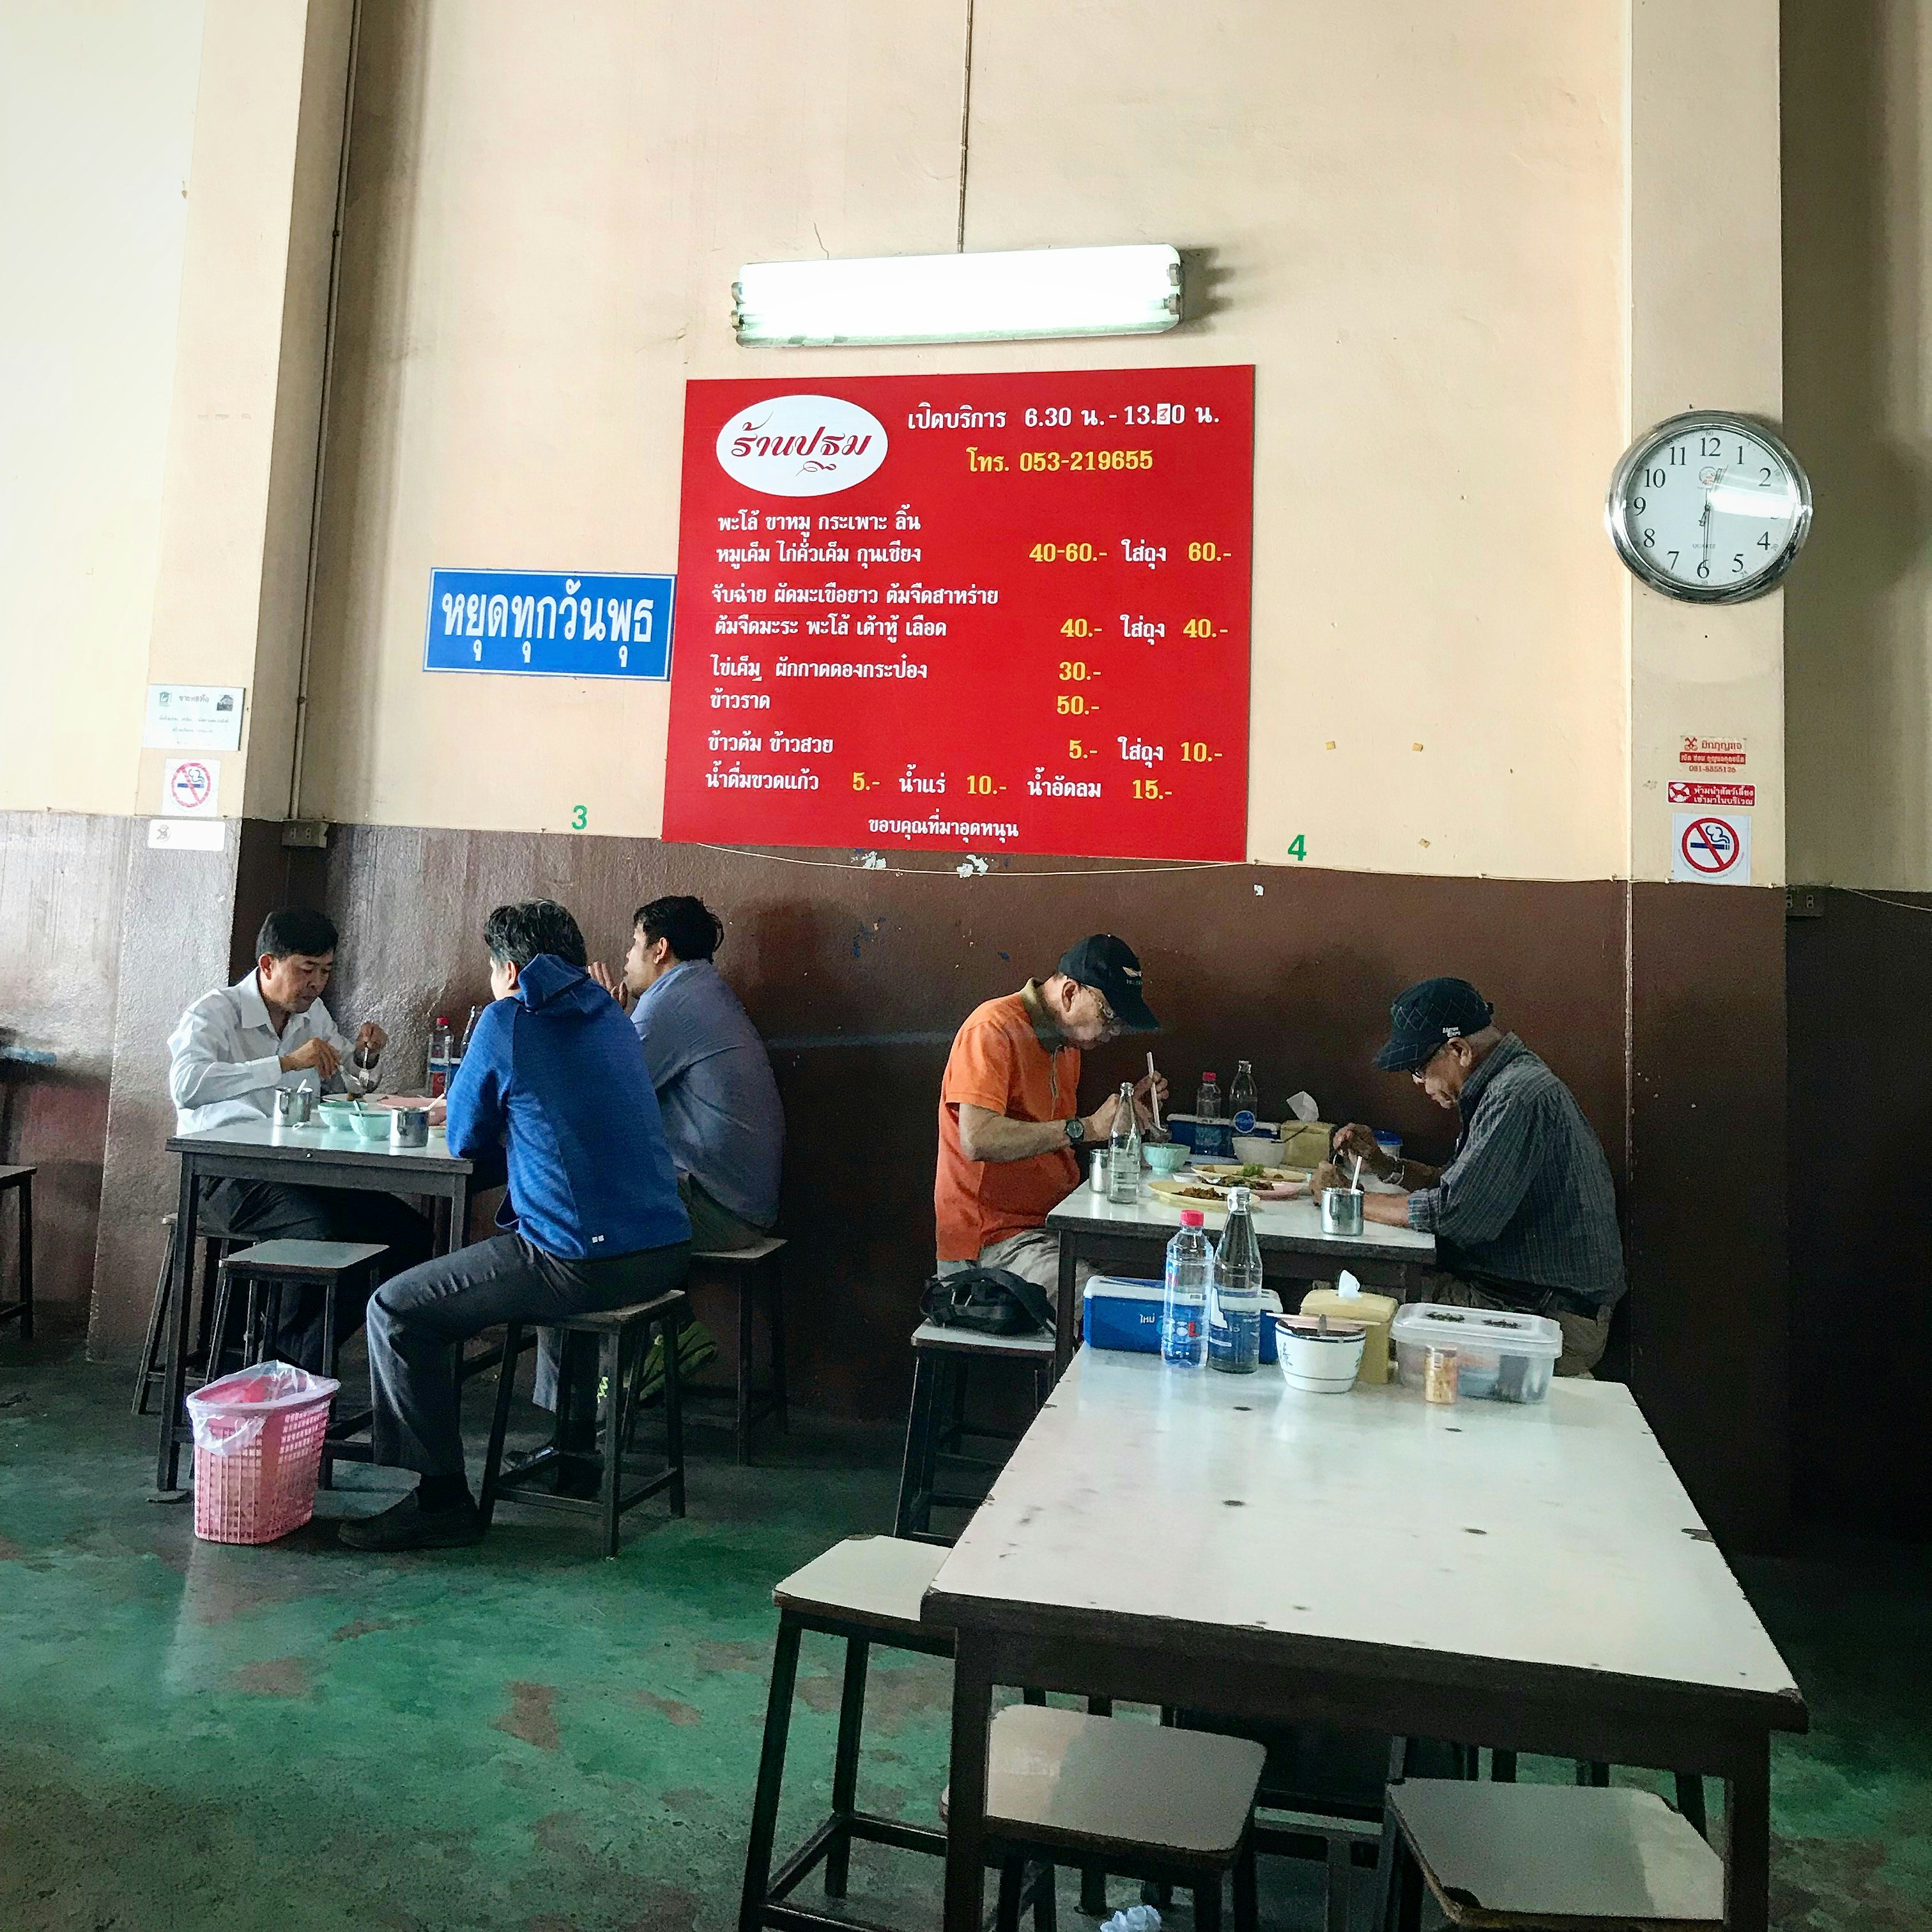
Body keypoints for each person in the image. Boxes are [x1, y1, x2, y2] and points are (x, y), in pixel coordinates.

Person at [343, 900, 691, 1551]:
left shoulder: (507, 1020)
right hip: (665, 1248)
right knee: (542, 1245)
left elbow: (467, 1138)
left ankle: (440, 1498)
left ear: (507, 969)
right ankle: (576, 1456)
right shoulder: (614, 1016)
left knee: (396, 1309)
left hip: (580, 1265)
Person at [1300, 976, 1625, 1375]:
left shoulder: (1515, 1097)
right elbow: (1453, 1186)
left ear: (1459, 1050)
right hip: (1526, 1300)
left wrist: (1346, 1202)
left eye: (1420, 1068)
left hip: (1544, 1320)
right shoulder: (1508, 1084)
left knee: (1336, 1294)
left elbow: (1457, 1214)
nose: (1419, 1084)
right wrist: (1384, 1166)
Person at [166, 907, 432, 1369]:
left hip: (297, 1170)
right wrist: (284, 1065)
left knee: (406, 1233)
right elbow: (186, 1086)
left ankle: (298, 1357)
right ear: (268, 965)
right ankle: (282, 1366)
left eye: (325, 971)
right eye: (306, 970)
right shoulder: (214, 1012)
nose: (316, 983)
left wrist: (365, 1059)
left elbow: (346, 1086)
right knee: (319, 1234)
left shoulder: (314, 1017)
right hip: (223, 1176)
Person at [935, 934, 1164, 1305]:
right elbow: (977, 1139)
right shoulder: (992, 1029)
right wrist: (1086, 1128)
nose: (1114, 1032)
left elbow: (1049, 1137)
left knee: (1162, 1277)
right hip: (992, 1244)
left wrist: (1123, 1114)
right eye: (1110, 1016)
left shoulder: (1068, 1045)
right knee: (1102, 1306)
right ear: (1071, 992)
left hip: (1056, 1225)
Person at [588, 895, 785, 1252]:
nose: (628, 957)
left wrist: (601, 1023)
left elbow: (601, 1098)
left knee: (568, 1204)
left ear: (660, 949)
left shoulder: (669, 1003)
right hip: (740, 1204)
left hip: (718, 1212)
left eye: (635, 943)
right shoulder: (700, 989)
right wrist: (614, 1027)